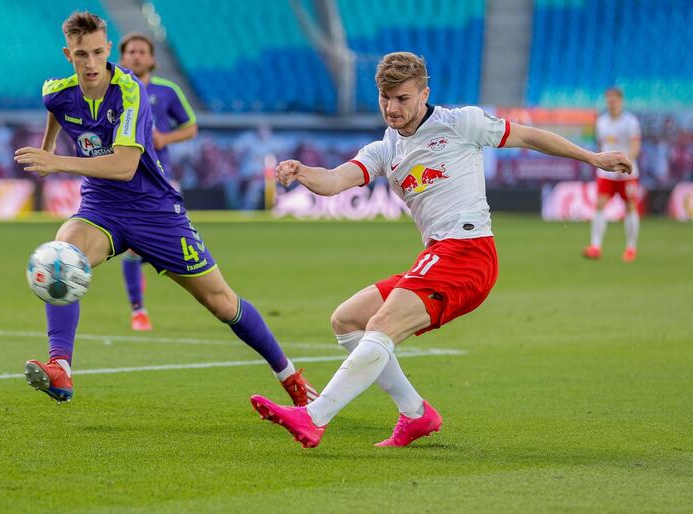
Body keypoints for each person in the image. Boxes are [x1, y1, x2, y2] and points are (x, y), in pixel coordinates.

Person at [249, 52, 631, 448]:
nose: (392, 108)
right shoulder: (384, 150)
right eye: (385, 98)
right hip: (438, 255)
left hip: (468, 253)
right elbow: (334, 180)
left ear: (424, 94)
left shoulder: (460, 123)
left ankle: (314, 417)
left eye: (403, 99)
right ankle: (415, 414)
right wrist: (302, 172)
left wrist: (593, 157)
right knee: (347, 320)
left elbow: (530, 136)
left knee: (381, 326)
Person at [14, 11, 318, 407]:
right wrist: (49, 145)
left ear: (108, 49)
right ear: (67, 54)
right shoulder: (56, 91)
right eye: (79, 55)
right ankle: (61, 368)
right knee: (61, 259)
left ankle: (290, 376)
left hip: (155, 211)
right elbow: (55, 109)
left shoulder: (129, 90)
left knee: (222, 303)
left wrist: (58, 162)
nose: (89, 64)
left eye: (96, 53)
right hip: (101, 208)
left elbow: (124, 166)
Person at [118, 32, 199, 331]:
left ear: (152, 58)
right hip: (125, 177)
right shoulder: (113, 89)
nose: (136, 56)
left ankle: (206, 293)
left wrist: (165, 137)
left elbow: (191, 127)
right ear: (122, 57)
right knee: (132, 247)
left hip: (160, 179)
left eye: (142, 52)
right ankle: (138, 310)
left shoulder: (167, 92)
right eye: (131, 52)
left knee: (173, 242)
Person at [583, 87, 642, 262]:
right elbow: (601, 147)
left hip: (627, 172)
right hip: (606, 172)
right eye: (609, 101)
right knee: (600, 204)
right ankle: (595, 246)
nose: (611, 104)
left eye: (614, 101)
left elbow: (635, 147)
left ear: (620, 101)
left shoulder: (630, 122)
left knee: (630, 206)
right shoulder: (601, 122)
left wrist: (624, 162)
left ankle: (631, 248)